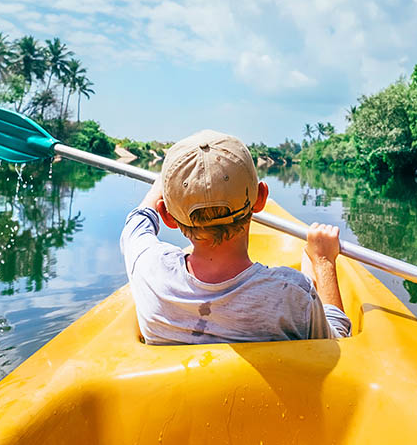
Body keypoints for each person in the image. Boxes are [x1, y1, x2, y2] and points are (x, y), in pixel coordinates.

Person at [119, 129, 351, 345]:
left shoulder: (148, 267)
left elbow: (138, 222)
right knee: (310, 259)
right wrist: (323, 261)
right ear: (261, 198)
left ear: (167, 216)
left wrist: (163, 182)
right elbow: (338, 343)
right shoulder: (292, 295)